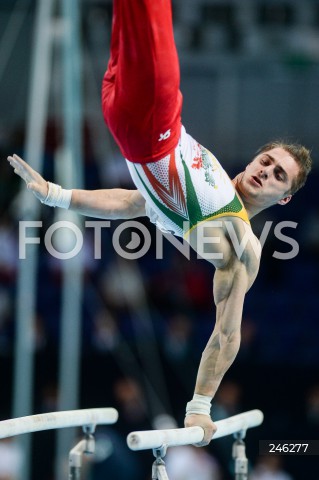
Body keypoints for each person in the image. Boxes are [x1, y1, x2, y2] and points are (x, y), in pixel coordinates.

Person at [7, 0, 312, 446]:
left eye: (277, 175)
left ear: (283, 197)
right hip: (140, 112)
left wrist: (199, 407)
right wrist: (57, 194)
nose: (265, 170)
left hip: (147, 121)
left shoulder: (241, 242)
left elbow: (226, 335)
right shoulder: (210, 178)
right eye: (266, 160)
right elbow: (134, 201)